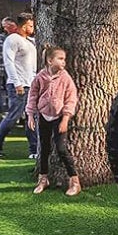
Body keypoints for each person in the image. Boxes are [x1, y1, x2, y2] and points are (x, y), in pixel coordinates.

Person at [27, 46, 80, 196]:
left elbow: (71, 98)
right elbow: (32, 96)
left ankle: (74, 181)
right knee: (44, 148)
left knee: (61, 149)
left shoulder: (65, 78)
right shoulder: (40, 77)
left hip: (59, 118)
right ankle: (43, 178)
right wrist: (30, 115)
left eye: (64, 59)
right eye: (60, 59)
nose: (64, 62)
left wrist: (65, 118)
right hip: (43, 116)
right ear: (50, 60)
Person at [0, 13, 38, 158]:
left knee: (32, 116)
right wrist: (16, 82)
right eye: (30, 25)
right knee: (15, 115)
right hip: (18, 84)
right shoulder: (12, 40)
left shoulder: (30, 42)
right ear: (24, 26)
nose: (33, 28)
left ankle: (34, 149)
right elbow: (8, 62)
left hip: (31, 83)